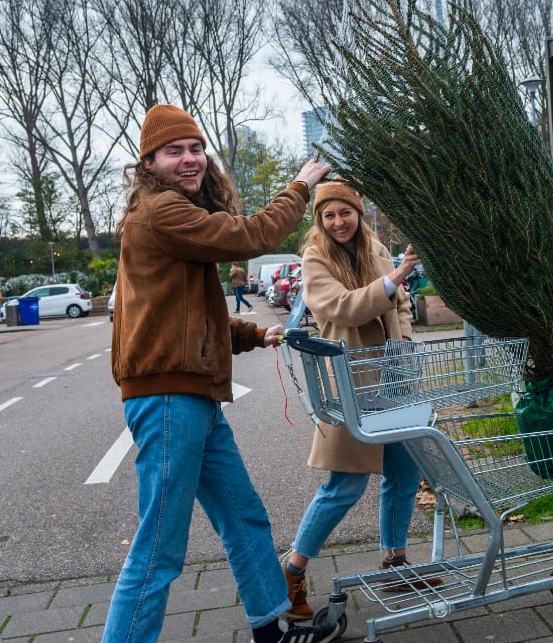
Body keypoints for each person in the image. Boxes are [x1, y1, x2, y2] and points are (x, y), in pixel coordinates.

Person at [104, 104, 336, 643]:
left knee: (242, 515)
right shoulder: (161, 210)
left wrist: (255, 334)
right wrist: (300, 186)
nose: (190, 159)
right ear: (148, 163)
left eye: (195, 148)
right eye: (174, 151)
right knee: (159, 549)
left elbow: (184, 320)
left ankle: (271, 631)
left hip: (193, 397)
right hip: (169, 400)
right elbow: (252, 236)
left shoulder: (170, 214)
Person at [281, 182, 439, 622]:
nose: (338, 222)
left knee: (404, 473)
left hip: (394, 378)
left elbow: (400, 304)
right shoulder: (315, 258)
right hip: (350, 383)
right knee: (345, 485)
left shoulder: (376, 249)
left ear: (358, 212)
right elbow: (344, 308)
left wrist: (404, 343)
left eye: (345, 213)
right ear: (320, 221)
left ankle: (395, 563)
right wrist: (396, 276)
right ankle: (292, 571)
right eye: (329, 216)